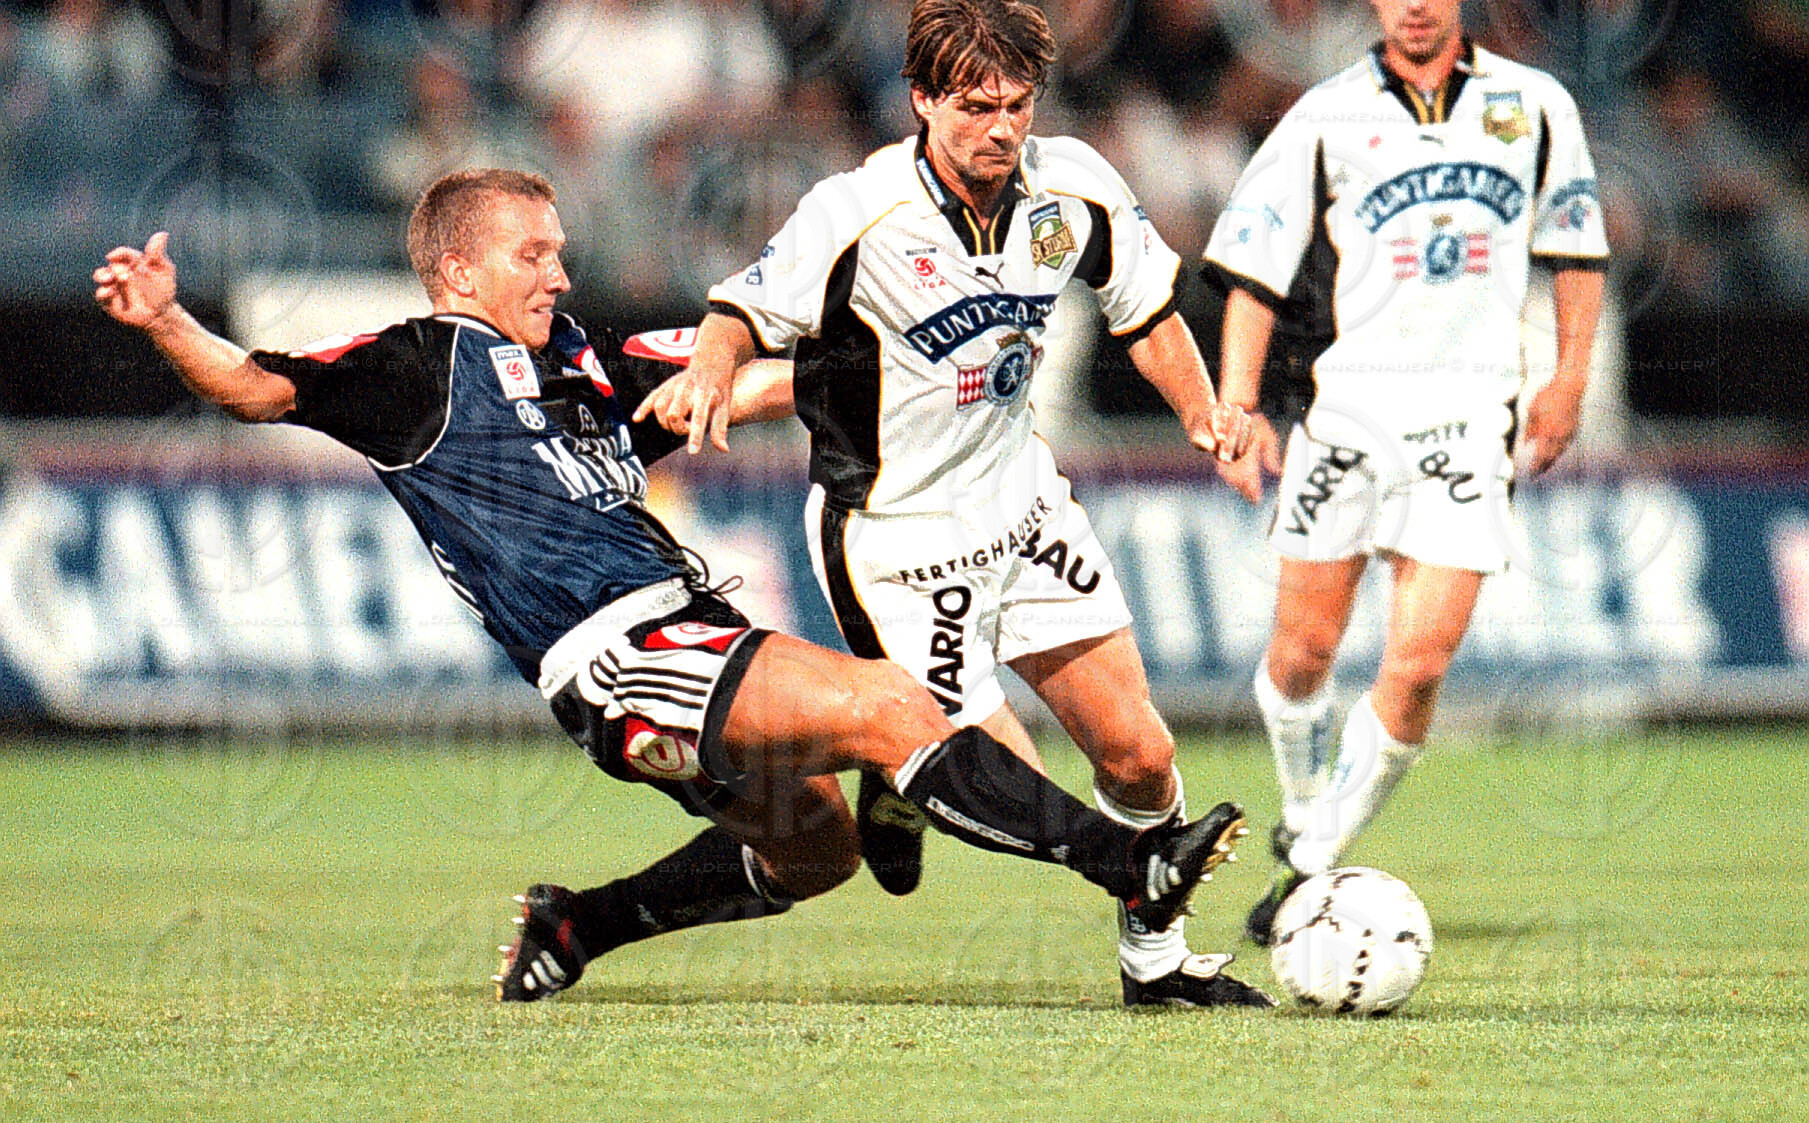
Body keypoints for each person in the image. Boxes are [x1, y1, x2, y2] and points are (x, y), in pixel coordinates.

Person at [92, 168, 1250, 1002]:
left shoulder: (579, 363)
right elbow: (256, 388)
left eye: (558, 250)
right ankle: (1129, 862)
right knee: (900, 705)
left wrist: (906, 361)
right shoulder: (420, 364)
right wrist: (166, 318)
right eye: (531, 254)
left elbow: (740, 377)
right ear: (458, 269)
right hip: (618, 655)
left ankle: (577, 925)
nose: (558, 271)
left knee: (817, 856)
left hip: (683, 636)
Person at [650, 0, 1273, 1008]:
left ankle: (1154, 967)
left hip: (1020, 505)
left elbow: (1147, 313)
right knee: (995, 778)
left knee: (1139, 755)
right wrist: (713, 370)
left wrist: (1203, 414)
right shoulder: (858, 212)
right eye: (977, 106)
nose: (1001, 128)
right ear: (922, 99)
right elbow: (741, 311)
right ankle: (901, 783)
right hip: (895, 536)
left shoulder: (1072, 189)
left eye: (1018, 104)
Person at [1200, 0, 1609, 943]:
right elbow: (1253, 274)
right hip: (1349, 412)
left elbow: (1576, 254)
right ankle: (1305, 812)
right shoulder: (1325, 116)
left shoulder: (1535, 107)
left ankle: (1311, 860)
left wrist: (1566, 380)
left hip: (1470, 417)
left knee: (1419, 666)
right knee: (1301, 656)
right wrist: (1236, 407)